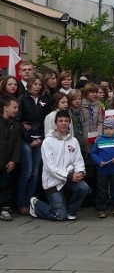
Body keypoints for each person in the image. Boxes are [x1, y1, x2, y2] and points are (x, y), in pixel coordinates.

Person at [30, 110, 90, 221]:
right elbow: (49, 167)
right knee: (59, 216)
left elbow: (78, 161)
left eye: (66, 121)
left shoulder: (73, 141)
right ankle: (36, 204)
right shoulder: (48, 141)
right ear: (56, 123)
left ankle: (70, 212)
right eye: (60, 121)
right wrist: (68, 176)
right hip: (52, 182)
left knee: (84, 188)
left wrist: (80, 172)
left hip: (69, 180)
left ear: (69, 123)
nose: (63, 123)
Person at [17, 74, 45, 215]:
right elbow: (18, 122)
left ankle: (30, 202)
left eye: (39, 84)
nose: (37, 87)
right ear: (29, 85)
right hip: (26, 139)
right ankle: (21, 203)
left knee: (35, 173)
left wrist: (41, 138)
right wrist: (30, 140)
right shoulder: (22, 99)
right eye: (35, 84)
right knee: (27, 172)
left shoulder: (44, 100)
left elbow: (46, 121)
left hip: (40, 138)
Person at [90, 117, 114, 219]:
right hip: (102, 169)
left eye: (110, 128)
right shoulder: (99, 140)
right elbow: (93, 153)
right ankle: (101, 209)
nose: (108, 131)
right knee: (102, 189)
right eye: (106, 128)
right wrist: (99, 161)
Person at [0, 96, 21, 221]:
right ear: (5, 108)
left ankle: (4, 208)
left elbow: (17, 144)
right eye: (14, 107)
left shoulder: (15, 125)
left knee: (5, 185)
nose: (16, 110)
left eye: (17, 107)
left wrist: (14, 160)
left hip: (7, 161)